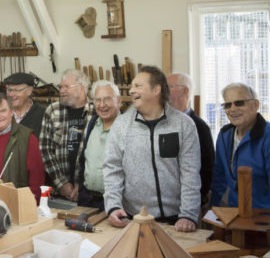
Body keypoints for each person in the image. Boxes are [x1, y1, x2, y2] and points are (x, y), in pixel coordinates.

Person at [103, 66, 201, 233]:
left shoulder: (184, 125)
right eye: (132, 86)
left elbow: (190, 173)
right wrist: (113, 206)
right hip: (133, 218)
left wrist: (188, 215)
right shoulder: (121, 125)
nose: (131, 90)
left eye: (138, 86)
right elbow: (112, 169)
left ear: (156, 90)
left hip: (175, 220)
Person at [211, 83, 270, 230]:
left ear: (255, 105)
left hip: (267, 222)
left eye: (239, 103)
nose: (232, 109)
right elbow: (219, 179)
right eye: (227, 105)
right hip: (235, 219)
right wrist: (212, 211)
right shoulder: (225, 135)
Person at [0, 93, 46, 201]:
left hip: (14, 203)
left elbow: (37, 179)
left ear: (12, 112)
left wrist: (30, 205)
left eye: (3, 111)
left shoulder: (27, 139)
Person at [39, 69, 95, 201]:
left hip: (90, 194)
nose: (61, 91)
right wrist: (62, 183)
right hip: (59, 194)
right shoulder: (53, 110)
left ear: (81, 88)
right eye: (60, 87)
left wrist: (81, 185)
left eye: (66, 87)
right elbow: (45, 150)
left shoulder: (96, 111)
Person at [168, 72, 215, 208]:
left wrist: (196, 199)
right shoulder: (164, 124)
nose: (163, 93)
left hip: (188, 203)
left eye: (169, 87)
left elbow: (207, 168)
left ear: (185, 91)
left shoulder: (199, 127)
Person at [77, 80, 122, 210]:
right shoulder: (92, 124)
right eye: (98, 100)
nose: (102, 105)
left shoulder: (127, 128)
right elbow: (83, 162)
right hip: (87, 200)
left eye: (107, 99)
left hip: (115, 203)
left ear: (119, 101)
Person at [3, 72, 46, 138]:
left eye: (17, 90)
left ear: (29, 91)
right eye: (9, 90)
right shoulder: (1, 113)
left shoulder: (43, 115)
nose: (11, 94)